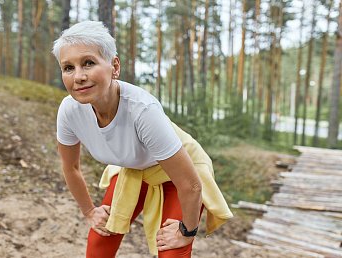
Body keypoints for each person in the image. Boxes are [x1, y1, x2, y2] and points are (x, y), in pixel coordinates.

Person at [52, 20, 233, 258]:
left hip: (181, 176)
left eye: (88, 63)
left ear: (114, 66)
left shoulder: (142, 110)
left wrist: (187, 232)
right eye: (68, 68)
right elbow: (71, 167)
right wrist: (89, 211)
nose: (78, 77)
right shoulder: (69, 110)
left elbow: (190, 185)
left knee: (172, 249)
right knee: (100, 238)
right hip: (136, 169)